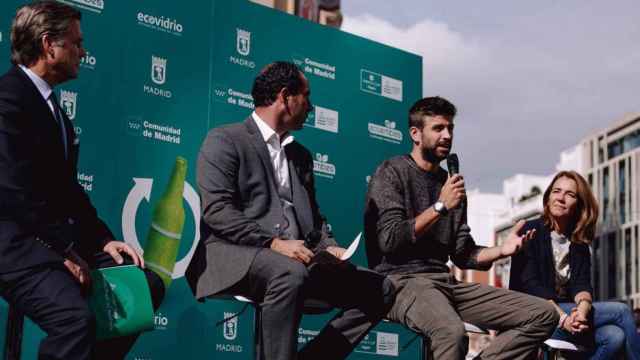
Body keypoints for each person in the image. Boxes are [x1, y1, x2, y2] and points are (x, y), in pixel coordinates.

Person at [186, 61, 395, 360]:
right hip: (234, 253)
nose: (311, 106)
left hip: (297, 257)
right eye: (306, 97)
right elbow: (217, 211)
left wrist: (330, 248)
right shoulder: (225, 139)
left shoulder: (300, 156)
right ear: (285, 96)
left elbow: (314, 219)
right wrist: (274, 244)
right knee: (289, 273)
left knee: (380, 288)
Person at [0, 2, 164, 359]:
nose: (83, 52)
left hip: (54, 241)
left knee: (145, 285)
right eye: (76, 43)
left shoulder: (55, 111)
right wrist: (63, 250)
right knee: (73, 320)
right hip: (16, 246)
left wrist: (103, 240)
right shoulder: (8, 98)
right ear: (48, 45)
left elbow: (68, 192)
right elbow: (13, 191)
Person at [364, 96, 559, 360]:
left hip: (447, 284)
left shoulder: (452, 185)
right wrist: (440, 206)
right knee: (451, 332)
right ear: (415, 134)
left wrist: (503, 249)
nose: (447, 135)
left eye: (450, 128)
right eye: (438, 128)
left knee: (543, 314)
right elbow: (389, 239)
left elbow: (463, 253)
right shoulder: (392, 172)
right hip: (401, 282)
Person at [510, 171, 640, 359]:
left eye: (570, 194)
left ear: (579, 204)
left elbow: (582, 285)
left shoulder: (578, 242)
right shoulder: (529, 230)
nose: (561, 198)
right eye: (557, 191)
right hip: (532, 316)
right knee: (621, 311)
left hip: (567, 316)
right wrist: (563, 319)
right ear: (548, 197)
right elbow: (531, 285)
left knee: (614, 336)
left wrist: (581, 311)